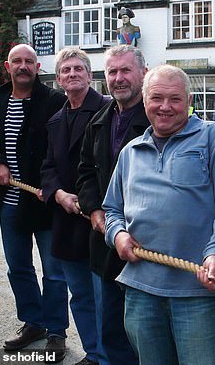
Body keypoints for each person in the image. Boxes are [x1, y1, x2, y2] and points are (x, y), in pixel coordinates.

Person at [102, 64, 215, 364]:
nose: (165, 107)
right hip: (140, 290)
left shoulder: (214, 138)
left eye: (175, 99)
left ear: (189, 101)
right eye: (157, 98)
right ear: (144, 99)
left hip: (199, 290)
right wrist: (119, 235)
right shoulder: (130, 152)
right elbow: (111, 209)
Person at [0, 44, 69, 362]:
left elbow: (63, 148)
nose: (23, 66)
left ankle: (56, 331)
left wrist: (54, 185)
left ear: (38, 66)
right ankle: (34, 323)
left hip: (44, 201)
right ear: (8, 66)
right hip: (9, 202)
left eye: (29, 61)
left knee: (54, 271)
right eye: (17, 61)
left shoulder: (54, 101)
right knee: (18, 267)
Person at [76, 44, 146, 365]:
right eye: (112, 72)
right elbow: (85, 172)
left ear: (143, 73)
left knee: (147, 336)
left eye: (126, 70)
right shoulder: (99, 121)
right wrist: (94, 208)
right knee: (113, 333)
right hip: (105, 246)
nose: (118, 78)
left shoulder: (158, 115)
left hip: (146, 247)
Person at [41, 48, 110, 365]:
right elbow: (48, 167)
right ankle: (94, 354)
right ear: (58, 79)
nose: (72, 74)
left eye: (78, 69)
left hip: (99, 218)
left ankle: (111, 356)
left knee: (104, 297)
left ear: (89, 75)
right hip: (66, 220)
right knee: (80, 294)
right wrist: (58, 195)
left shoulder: (109, 111)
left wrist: (88, 200)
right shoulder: (55, 121)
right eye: (66, 70)